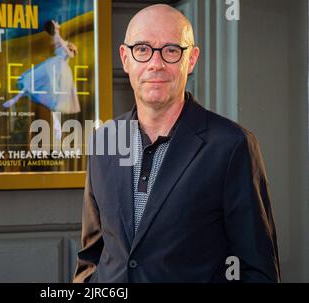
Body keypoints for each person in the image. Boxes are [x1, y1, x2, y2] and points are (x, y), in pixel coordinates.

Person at [73, 4, 280, 283]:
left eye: (171, 50)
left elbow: (257, 271)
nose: (155, 64)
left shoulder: (232, 146)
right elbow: (91, 256)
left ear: (191, 59)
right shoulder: (104, 141)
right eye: (142, 49)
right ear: (125, 58)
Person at [3, 20, 80, 139]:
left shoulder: (63, 43)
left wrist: (66, 44)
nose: (57, 22)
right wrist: (58, 32)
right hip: (54, 68)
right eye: (55, 23)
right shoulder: (59, 39)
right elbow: (62, 45)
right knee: (32, 81)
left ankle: (57, 126)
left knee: (55, 101)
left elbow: (69, 53)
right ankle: (16, 99)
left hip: (60, 72)